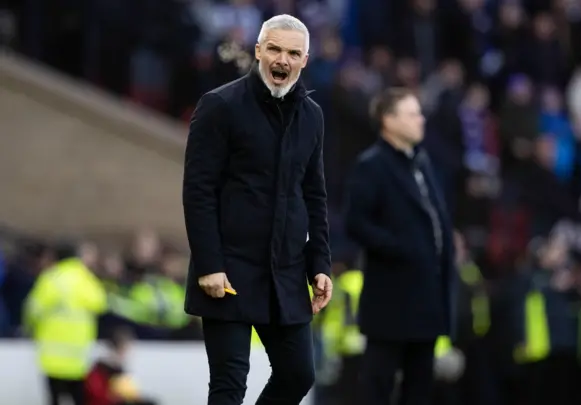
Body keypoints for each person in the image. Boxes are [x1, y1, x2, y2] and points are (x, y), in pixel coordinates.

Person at [182, 14, 332, 405]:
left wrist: (320, 264)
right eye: (276, 49)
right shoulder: (220, 105)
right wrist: (209, 263)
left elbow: (314, 195)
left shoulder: (312, 116)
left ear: (305, 59)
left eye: (293, 53)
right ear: (258, 51)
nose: (283, 60)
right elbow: (198, 191)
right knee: (230, 384)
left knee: (299, 374)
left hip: (284, 273)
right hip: (228, 270)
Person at [344, 87, 457, 405]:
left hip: (426, 300)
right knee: (377, 386)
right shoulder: (372, 165)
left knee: (419, 389)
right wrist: (400, 249)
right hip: (390, 302)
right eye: (412, 114)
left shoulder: (421, 163)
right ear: (388, 120)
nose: (421, 120)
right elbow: (356, 223)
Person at [23, 242, 107, 405]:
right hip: (77, 355)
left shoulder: (50, 278)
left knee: (54, 399)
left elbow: (33, 310)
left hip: (51, 355)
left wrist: (29, 329)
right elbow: (100, 303)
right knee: (79, 398)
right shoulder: (85, 277)